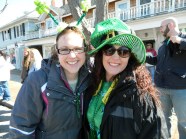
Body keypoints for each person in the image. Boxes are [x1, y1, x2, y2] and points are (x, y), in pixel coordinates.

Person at [82, 18, 168, 139]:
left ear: (130, 57)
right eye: (109, 50)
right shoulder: (91, 86)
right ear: (101, 54)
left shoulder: (141, 96)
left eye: (123, 51)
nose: (116, 57)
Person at [9, 26, 90, 139]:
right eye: (65, 49)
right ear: (57, 52)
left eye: (77, 48)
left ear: (85, 51)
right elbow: (21, 128)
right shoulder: (38, 81)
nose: (72, 55)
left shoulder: (90, 79)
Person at [146, 17, 186, 139]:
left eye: (162, 26)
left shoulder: (183, 38)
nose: (160, 29)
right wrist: (143, 56)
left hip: (180, 89)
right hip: (161, 88)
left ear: (171, 25)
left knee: (183, 122)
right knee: (163, 118)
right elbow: (157, 61)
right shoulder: (163, 45)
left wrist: (180, 41)